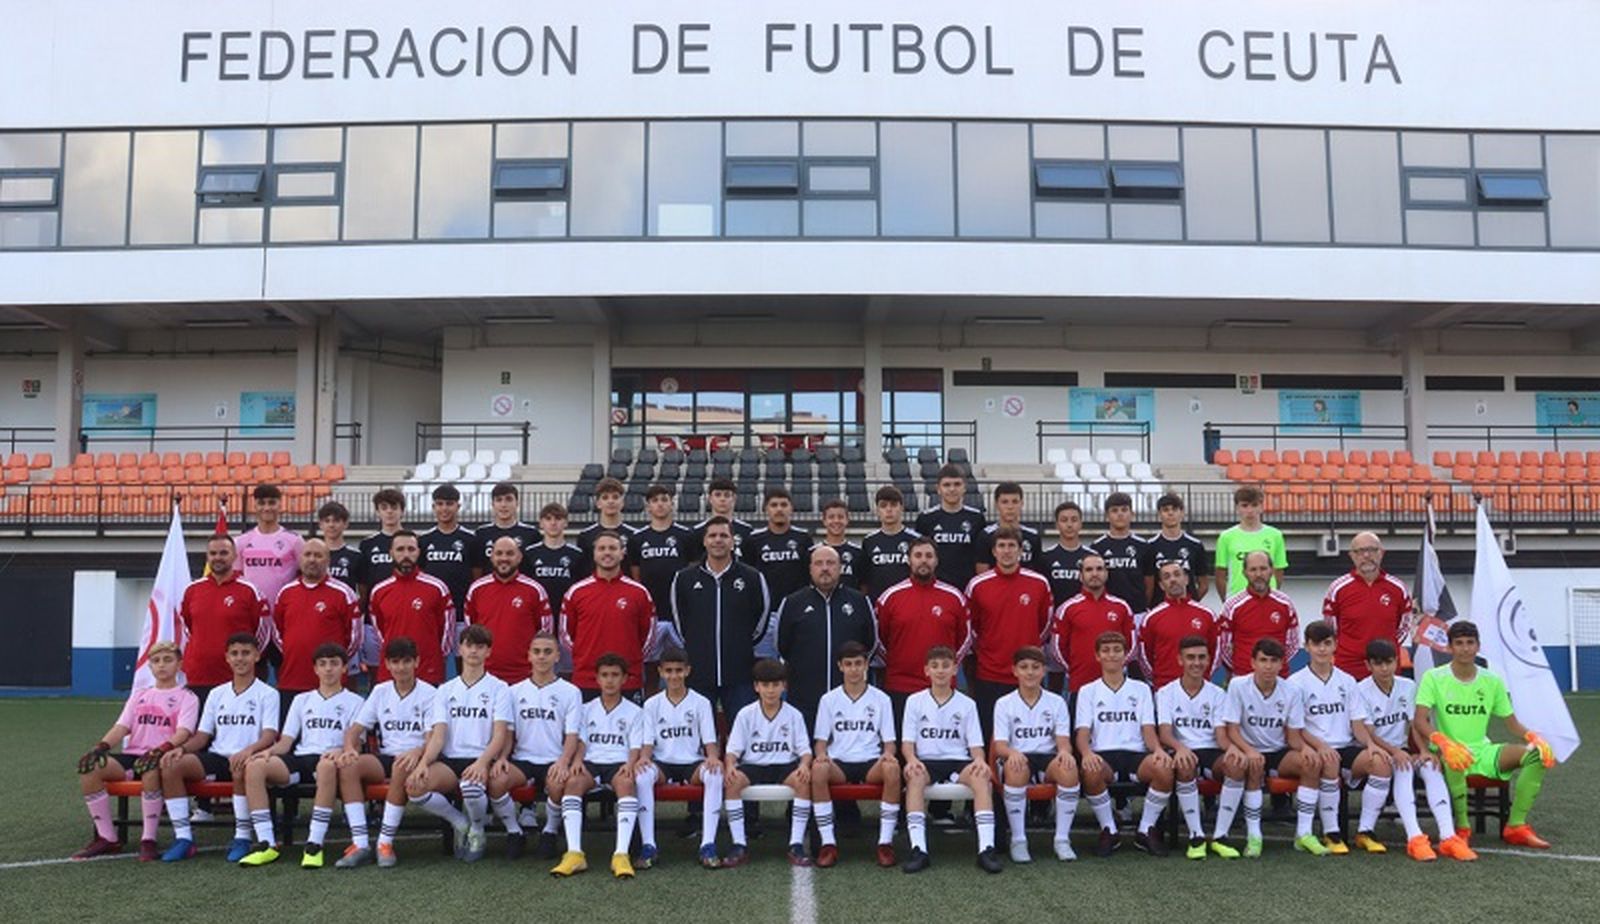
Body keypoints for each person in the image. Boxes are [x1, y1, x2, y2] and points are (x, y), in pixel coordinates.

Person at [1413, 620, 1560, 850]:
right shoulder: (1434, 677)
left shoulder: (1491, 680)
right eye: (1459, 643)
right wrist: (1443, 742)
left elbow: (1511, 723)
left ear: (1478, 646)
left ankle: (1516, 826)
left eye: (1470, 642)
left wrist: (1533, 737)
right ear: (1449, 648)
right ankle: (1462, 828)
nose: (1465, 648)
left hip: (1482, 750)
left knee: (1537, 756)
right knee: (1456, 760)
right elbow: (1420, 720)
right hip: (1448, 750)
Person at [237, 644, 364, 867]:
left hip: (330, 760)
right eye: (323, 664)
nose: (328, 669)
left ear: (344, 668)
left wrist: (342, 751)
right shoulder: (301, 700)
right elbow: (286, 742)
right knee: (255, 767)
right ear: (315, 669)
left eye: (334, 664)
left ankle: (314, 844)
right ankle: (267, 844)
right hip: (301, 759)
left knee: (325, 766)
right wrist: (266, 752)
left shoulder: (356, 702)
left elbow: (356, 745)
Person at [158, 633, 279, 863]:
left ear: (256, 656)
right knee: (172, 766)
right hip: (217, 756)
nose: (240, 658)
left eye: (245, 653)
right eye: (234, 653)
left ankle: (242, 837)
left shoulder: (268, 693)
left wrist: (248, 751)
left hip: (248, 758)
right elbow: (203, 735)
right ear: (227, 658)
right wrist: (181, 749)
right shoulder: (217, 693)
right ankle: (184, 839)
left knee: (240, 766)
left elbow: (269, 735)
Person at [71, 642, 197, 861]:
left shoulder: (187, 697)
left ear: (179, 664)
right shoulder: (140, 695)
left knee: (149, 770)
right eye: (156, 661)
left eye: (168, 660)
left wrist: (161, 750)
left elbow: (184, 732)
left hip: (161, 757)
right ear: (149, 666)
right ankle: (108, 838)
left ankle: (148, 840)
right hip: (133, 755)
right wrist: (100, 747)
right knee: (90, 768)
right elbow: (121, 727)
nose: (162, 666)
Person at [1354, 639, 1470, 862]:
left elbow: (1415, 723)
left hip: (1403, 750)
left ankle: (1448, 836)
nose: (1384, 668)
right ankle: (1415, 837)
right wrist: (1395, 751)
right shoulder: (1361, 690)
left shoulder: (1407, 686)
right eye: (1378, 664)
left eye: (1389, 662)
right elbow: (1368, 733)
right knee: (1404, 767)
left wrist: (1425, 750)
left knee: (1430, 765)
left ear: (1397, 662)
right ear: (1368, 665)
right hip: (1375, 751)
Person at [406, 624, 512, 864]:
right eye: (469, 645)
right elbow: (439, 735)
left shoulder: (500, 688)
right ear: (459, 649)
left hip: (481, 757)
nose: (474, 651)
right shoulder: (444, 690)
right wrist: (424, 763)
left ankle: (477, 830)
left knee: (471, 787)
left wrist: (483, 763)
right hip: (449, 760)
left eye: (480, 646)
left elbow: (500, 735)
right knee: (414, 786)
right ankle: (460, 823)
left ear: (488, 652)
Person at [329, 636, 437, 868]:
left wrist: (417, 751)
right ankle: (360, 844)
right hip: (385, 757)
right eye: (395, 662)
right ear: (387, 665)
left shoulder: (430, 693)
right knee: (348, 765)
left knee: (401, 764)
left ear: (416, 662)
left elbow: (433, 738)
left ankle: (384, 843)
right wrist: (349, 749)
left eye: (406, 661)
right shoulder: (380, 691)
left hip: (415, 758)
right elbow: (355, 729)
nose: (401, 667)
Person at [1286, 620, 1389, 855]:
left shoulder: (1347, 681)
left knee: (1381, 763)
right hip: (1316, 747)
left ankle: (1365, 831)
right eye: (1316, 644)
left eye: (1327, 643)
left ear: (1335, 646)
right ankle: (1332, 833)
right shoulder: (1296, 683)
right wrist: (1320, 746)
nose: (1322, 649)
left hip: (1346, 746)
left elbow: (1357, 724)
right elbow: (1296, 728)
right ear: (1306, 646)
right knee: (1329, 760)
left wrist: (1372, 745)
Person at [900, 646, 1001, 874]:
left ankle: (986, 849)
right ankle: (918, 849)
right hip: (926, 762)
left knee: (981, 778)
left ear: (955, 669)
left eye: (946, 666)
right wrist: (910, 759)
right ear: (926, 670)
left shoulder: (967, 704)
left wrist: (980, 762)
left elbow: (976, 746)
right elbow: (907, 743)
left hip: (957, 761)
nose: (940, 671)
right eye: (935, 666)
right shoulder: (914, 702)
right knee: (914, 777)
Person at [1217, 638, 1318, 858]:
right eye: (1263, 660)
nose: (1268, 666)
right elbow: (1232, 730)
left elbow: (1293, 737)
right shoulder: (1238, 686)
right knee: (1253, 764)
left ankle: (1304, 834)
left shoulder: (1291, 690)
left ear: (1282, 665)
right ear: (1253, 662)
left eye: (1274, 661)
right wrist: (1249, 750)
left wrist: (1306, 749)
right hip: (1248, 749)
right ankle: (1255, 836)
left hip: (1278, 752)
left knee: (1311, 763)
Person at [1074, 632, 1171, 857]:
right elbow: (1082, 733)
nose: (1112, 655)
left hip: (1135, 755)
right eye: (1106, 650)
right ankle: (1109, 829)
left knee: (1165, 768)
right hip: (1103, 755)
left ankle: (1146, 830)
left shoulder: (1141, 689)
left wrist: (1157, 750)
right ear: (1097, 656)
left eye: (1117, 650)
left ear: (1125, 654)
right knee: (1090, 769)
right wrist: (1086, 753)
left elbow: (1148, 729)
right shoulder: (1088, 691)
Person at [550, 653, 645, 879]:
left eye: (615, 675)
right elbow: (581, 741)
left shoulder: (635, 711)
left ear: (624, 679)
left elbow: (635, 745)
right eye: (605, 675)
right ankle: (574, 853)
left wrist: (630, 763)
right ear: (597, 679)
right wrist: (577, 761)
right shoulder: (586, 709)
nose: (610, 680)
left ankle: (621, 855)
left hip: (618, 762)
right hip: (592, 762)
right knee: (572, 782)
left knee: (627, 783)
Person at [491, 632, 582, 861]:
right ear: (529, 656)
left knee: (558, 783)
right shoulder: (513, 692)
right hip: (523, 760)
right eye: (537, 652)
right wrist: (502, 757)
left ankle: (549, 832)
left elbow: (572, 735)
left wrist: (563, 761)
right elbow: (508, 733)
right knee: (496, 780)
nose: (542, 657)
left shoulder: (570, 692)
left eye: (547, 652)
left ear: (557, 656)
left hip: (554, 758)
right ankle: (515, 832)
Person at [809, 641, 901, 868]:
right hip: (839, 762)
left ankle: (885, 843)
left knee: (892, 768)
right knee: (819, 768)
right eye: (848, 664)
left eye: (858, 663)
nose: (853, 669)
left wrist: (888, 755)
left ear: (866, 665)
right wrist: (821, 755)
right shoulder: (829, 699)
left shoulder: (881, 699)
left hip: (870, 762)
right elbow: (820, 742)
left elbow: (889, 743)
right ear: (840, 666)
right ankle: (828, 843)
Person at [1156, 635, 1246, 860]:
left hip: (1210, 750)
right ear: (1180, 660)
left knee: (1235, 765)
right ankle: (1196, 836)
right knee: (1185, 765)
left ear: (1208, 661)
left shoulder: (1217, 694)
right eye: (1190, 658)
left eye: (1201, 658)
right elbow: (1165, 734)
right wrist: (1180, 748)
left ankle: (1220, 836)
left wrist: (1232, 749)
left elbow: (1220, 736)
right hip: (1180, 749)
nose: (1196, 663)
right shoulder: (1166, 692)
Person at [671, 516, 770, 720]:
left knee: (742, 731)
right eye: (713, 535)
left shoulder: (752, 577)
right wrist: (695, 644)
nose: (718, 540)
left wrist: (742, 642)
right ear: (704, 541)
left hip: (739, 669)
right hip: (699, 669)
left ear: (733, 541)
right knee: (699, 734)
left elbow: (762, 616)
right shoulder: (684, 578)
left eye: (724, 535)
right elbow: (679, 620)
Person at [632, 646, 723, 869]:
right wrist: (644, 758)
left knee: (715, 774)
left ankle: (708, 844)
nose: (674, 676)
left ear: (687, 671)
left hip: (691, 763)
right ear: (661, 672)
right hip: (662, 763)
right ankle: (649, 846)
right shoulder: (652, 704)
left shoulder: (701, 702)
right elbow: (647, 742)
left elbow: (709, 740)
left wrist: (713, 757)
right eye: (669, 671)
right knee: (642, 775)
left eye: (679, 670)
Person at [722, 658, 815, 869]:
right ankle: (739, 844)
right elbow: (732, 751)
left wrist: (804, 765)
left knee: (802, 781)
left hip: (784, 766)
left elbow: (805, 751)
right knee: (733, 781)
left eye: (775, 685)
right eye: (765, 685)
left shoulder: (794, 715)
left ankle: (796, 844)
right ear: (756, 687)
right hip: (754, 766)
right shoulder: (746, 714)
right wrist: (729, 767)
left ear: (784, 686)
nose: (770, 691)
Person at [964, 527, 1053, 742]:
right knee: (990, 733)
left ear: (1021, 550)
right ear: (993, 552)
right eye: (1001, 546)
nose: (1006, 551)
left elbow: (1045, 625)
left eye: (1012, 546)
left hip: (1027, 674)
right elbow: (971, 627)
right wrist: (988, 649)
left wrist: (1029, 652)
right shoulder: (978, 585)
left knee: (1028, 735)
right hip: (990, 671)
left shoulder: (1039, 584)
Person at [990, 646, 1078, 864]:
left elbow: (1063, 742)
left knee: (1069, 768)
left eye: (1035, 667)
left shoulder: (1056, 702)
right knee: (1015, 767)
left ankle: (1062, 839)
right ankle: (1019, 840)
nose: (1030, 672)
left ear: (1044, 671)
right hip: (1018, 755)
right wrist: (1012, 753)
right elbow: (999, 745)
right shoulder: (1004, 703)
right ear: (1015, 671)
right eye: (1024, 667)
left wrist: (1065, 753)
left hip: (1047, 757)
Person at [775, 544, 878, 725]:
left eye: (830, 563)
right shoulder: (793, 602)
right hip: (805, 697)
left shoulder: (859, 601)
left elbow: (870, 643)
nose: (824, 568)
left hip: (850, 697)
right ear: (810, 568)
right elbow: (782, 646)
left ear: (840, 568)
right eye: (819, 563)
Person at [874, 537, 969, 726]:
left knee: (940, 748)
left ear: (936, 561)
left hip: (941, 687)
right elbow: (879, 638)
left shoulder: (954, 597)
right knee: (902, 748)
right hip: (900, 685)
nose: (923, 560)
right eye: (918, 555)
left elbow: (964, 639)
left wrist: (945, 669)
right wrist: (896, 662)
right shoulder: (890, 597)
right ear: (909, 560)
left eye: (928, 556)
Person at [271, 538, 361, 723]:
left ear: (328, 561)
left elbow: (354, 638)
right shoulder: (286, 593)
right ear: (300, 559)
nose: (312, 559)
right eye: (308, 554)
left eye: (318, 555)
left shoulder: (343, 593)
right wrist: (291, 651)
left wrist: (334, 663)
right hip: (292, 680)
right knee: (290, 743)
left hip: (330, 684)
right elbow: (276, 631)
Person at [562, 531, 654, 700]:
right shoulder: (576, 592)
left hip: (627, 679)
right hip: (587, 679)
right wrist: (584, 656)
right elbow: (566, 634)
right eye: (602, 548)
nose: (607, 552)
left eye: (612, 548)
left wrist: (631, 661)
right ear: (594, 553)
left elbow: (648, 635)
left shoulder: (639, 593)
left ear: (622, 553)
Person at [179, 533, 271, 702]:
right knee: (200, 729)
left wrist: (244, 660)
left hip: (236, 679)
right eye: (213, 554)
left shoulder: (250, 591)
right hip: (199, 677)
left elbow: (262, 634)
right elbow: (188, 628)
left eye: (223, 553)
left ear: (234, 556)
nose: (218, 558)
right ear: (207, 557)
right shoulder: (192, 590)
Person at [629, 483, 701, 684]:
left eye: (664, 500)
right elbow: (636, 575)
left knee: (684, 662)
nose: (660, 505)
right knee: (649, 664)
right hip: (652, 614)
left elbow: (693, 571)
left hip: (679, 613)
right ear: (648, 506)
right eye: (655, 501)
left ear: (672, 504)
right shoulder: (637, 538)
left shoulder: (686, 535)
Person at [1321, 532, 1413, 680]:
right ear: (1351, 555)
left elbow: (1403, 627)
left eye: (1372, 550)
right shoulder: (1337, 589)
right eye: (1360, 551)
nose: (1366, 556)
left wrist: (1384, 650)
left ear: (1381, 553)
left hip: (1386, 668)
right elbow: (1331, 628)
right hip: (1349, 669)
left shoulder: (1398, 588)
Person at [368, 530, 455, 686]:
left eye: (411, 549)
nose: (406, 554)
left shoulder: (437, 588)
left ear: (418, 552)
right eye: (400, 549)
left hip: (428, 671)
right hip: (391, 675)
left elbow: (447, 631)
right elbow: (380, 633)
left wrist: (434, 658)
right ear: (391, 553)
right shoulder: (379, 591)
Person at [464, 537, 552, 684]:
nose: (504, 558)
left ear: (519, 558)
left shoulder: (534, 590)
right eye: (499, 553)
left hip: (525, 676)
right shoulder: (477, 589)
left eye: (510, 554)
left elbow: (544, 634)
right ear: (492, 557)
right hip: (485, 674)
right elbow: (471, 632)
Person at [1050, 554, 1135, 696]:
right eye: (1089, 570)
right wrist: (1074, 670)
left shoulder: (1122, 607)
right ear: (1081, 575)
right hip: (1080, 686)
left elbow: (1131, 646)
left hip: (1116, 686)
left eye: (1099, 569)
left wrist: (1114, 667)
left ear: (1106, 574)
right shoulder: (1068, 608)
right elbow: (1058, 649)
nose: (1095, 574)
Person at [1217, 550, 1300, 683]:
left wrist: (1274, 666)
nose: (1258, 574)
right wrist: (1242, 667)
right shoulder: (1232, 605)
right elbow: (1223, 647)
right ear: (1244, 573)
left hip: (1279, 680)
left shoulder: (1285, 603)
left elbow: (1293, 644)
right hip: (1243, 679)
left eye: (1263, 569)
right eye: (1253, 570)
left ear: (1271, 571)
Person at [745, 487, 810, 656]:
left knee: (797, 663)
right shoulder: (754, 540)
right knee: (766, 668)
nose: (779, 509)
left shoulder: (803, 538)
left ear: (791, 509)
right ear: (766, 509)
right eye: (774, 505)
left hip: (797, 613)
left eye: (783, 504)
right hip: (766, 615)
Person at [1137, 560, 1219, 691]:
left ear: (1186, 579)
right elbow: (1144, 656)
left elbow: (1216, 651)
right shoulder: (1151, 618)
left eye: (1177, 574)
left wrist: (1204, 677)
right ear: (1161, 585)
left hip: (1200, 687)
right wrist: (1158, 680)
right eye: (1167, 577)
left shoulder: (1207, 615)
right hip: (1164, 688)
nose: (1173, 580)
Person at [914, 464, 987, 590]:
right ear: (938, 488)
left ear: (964, 487)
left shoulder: (976, 518)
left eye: (957, 484)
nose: (952, 489)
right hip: (935, 587)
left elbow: (980, 557)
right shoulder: (926, 518)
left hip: (966, 586)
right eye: (946, 485)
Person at [235, 483, 304, 608]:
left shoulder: (294, 541)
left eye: (271, 503)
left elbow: (305, 576)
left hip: (283, 611)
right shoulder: (241, 541)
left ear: (280, 505)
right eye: (262, 503)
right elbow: (236, 579)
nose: (267, 508)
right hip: (251, 612)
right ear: (255, 506)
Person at [1213, 485, 1286, 601]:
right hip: (1237, 599)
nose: (1250, 510)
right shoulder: (1226, 537)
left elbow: (1279, 571)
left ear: (1261, 507)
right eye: (1245, 506)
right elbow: (1220, 574)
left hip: (1267, 599)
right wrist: (1227, 600)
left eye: (1254, 505)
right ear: (1237, 508)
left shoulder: (1275, 535)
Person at [418, 484, 478, 618]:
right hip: (431, 612)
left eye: (449, 504)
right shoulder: (424, 540)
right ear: (434, 507)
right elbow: (420, 575)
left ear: (458, 506)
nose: (444, 508)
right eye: (440, 504)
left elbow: (476, 577)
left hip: (461, 613)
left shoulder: (471, 539)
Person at [1090, 492, 1153, 617]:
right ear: (1107, 516)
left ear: (1132, 514)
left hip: (1137, 612)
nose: (1120, 514)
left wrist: (1143, 605)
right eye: (1114, 510)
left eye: (1124, 510)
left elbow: (1149, 582)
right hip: (1106, 612)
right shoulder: (1097, 547)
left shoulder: (1144, 546)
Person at [1145, 493, 1210, 603]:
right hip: (1159, 609)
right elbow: (1148, 584)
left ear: (1182, 513)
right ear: (1159, 515)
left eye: (1174, 509)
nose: (1170, 513)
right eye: (1166, 510)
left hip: (1187, 610)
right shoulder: (1150, 546)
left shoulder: (1195, 545)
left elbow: (1204, 584)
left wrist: (1191, 602)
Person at [860, 485, 920, 598]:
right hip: (878, 604)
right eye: (883, 506)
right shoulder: (869, 541)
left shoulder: (915, 540)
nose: (889, 509)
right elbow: (864, 580)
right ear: (877, 510)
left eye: (893, 505)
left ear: (901, 508)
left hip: (908, 602)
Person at [476, 482, 542, 578]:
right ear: (493, 504)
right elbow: (477, 568)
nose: (504, 505)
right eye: (499, 500)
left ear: (517, 503)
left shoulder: (531, 534)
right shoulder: (481, 533)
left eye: (509, 499)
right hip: (490, 591)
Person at [976, 482, 1042, 572]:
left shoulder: (1033, 536)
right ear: (996, 505)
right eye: (1004, 502)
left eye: (1015, 502)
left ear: (1022, 504)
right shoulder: (986, 536)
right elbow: (982, 572)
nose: (1010, 507)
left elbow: (1038, 570)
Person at [356, 487, 406, 602]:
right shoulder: (367, 544)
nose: (389, 511)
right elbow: (362, 583)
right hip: (376, 607)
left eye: (394, 507)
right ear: (377, 512)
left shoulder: (414, 541)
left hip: (406, 604)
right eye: (384, 508)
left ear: (402, 511)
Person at [1039, 500, 1090, 608]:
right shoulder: (1046, 557)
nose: (1069, 525)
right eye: (1064, 520)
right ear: (1057, 525)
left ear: (1081, 524)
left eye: (1074, 520)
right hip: (1056, 617)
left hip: (1083, 616)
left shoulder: (1091, 557)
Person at [694, 477, 755, 555]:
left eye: (727, 495)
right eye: (718, 495)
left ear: (734, 498)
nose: (722, 499)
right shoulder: (697, 532)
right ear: (710, 498)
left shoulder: (747, 531)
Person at [577, 478, 635, 559]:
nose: (610, 501)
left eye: (615, 497)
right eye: (605, 497)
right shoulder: (585, 536)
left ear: (622, 503)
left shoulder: (634, 535)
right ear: (598, 504)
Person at [815, 498, 864, 590]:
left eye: (840, 517)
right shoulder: (813, 553)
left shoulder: (858, 553)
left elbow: (863, 585)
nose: (836, 521)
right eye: (831, 517)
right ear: (824, 521)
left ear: (847, 520)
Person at [317, 501, 361, 587]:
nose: (331, 525)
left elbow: (362, 590)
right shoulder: (312, 555)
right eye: (327, 521)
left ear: (345, 524)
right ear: (320, 525)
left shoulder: (356, 556)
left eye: (336, 521)